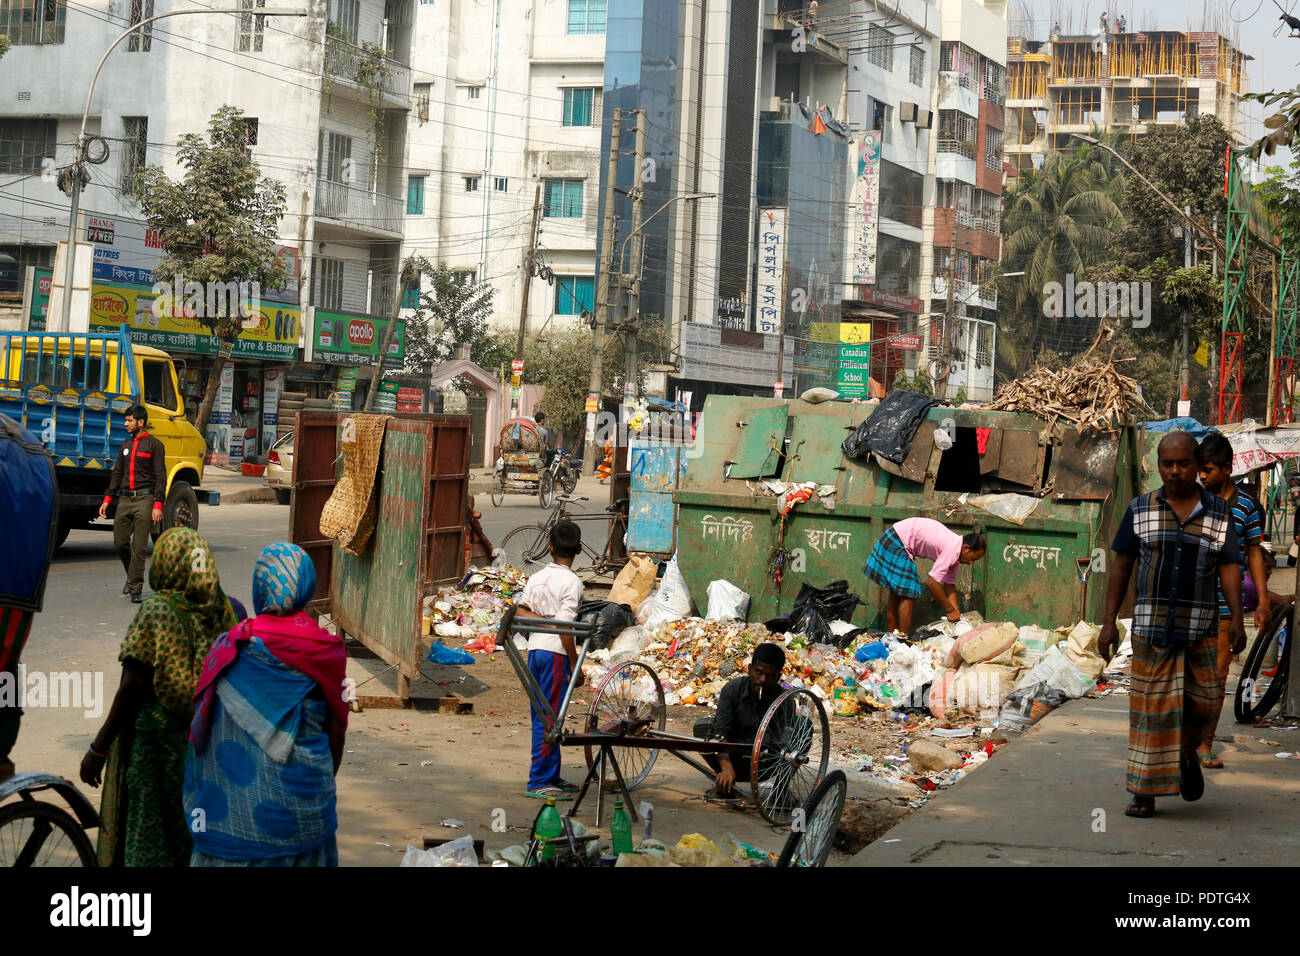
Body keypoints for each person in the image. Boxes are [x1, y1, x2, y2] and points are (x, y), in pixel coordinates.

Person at [1099, 432, 1244, 820]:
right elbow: (1122, 566)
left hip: (1202, 627)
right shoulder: (1140, 508)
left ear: (1197, 465)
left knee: (1206, 703)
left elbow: (1230, 564)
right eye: (1168, 464)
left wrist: (1238, 619)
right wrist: (1108, 622)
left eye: (1183, 463)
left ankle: (1184, 752)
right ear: (1159, 465)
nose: (1175, 471)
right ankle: (1143, 794)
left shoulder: (1218, 512)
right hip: (1153, 628)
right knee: (1152, 713)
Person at [80, 527, 241, 866]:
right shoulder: (225, 610)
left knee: (151, 837)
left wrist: (99, 747)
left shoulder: (157, 611)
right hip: (208, 747)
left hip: (157, 749)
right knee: (195, 837)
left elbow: (133, 687)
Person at [185, 543, 348, 866]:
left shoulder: (229, 646)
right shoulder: (325, 650)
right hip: (303, 817)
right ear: (306, 587)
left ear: (259, 588)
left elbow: (200, 723)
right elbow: (336, 735)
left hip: (227, 821)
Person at [1196, 433, 1270, 769]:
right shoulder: (1192, 501)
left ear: (1227, 469)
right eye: (1201, 470)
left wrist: (1263, 601)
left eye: (1208, 470)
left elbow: (1254, 553)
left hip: (1227, 610)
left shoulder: (1247, 508)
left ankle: (1204, 745)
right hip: (1192, 605)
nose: (1202, 476)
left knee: (1215, 680)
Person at [517, 521, 585, 800]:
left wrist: (544, 623)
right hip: (555, 654)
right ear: (579, 549)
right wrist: (574, 662)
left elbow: (521, 610)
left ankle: (551, 774)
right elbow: (565, 627)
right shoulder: (572, 582)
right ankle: (539, 780)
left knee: (549, 715)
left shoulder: (537, 577)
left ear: (549, 547)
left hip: (535, 650)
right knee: (548, 719)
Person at [693, 643, 788, 799]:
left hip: (765, 765)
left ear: (778, 677)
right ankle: (725, 780)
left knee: (804, 727)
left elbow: (786, 741)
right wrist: (725, 767)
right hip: (732, 759)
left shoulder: (784, 700)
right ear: (750, 669)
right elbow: (720, 732)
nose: (762, 679)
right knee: (702, 727)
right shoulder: (732, 690)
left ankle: (781, 790)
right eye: (759, 672)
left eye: (770, 676)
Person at [862, 517, 986, 636]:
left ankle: (892, 636)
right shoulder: (952, 550)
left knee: (897, 593)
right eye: (972, 558)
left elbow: (949, 584)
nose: (971, 563)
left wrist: (956, 611)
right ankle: (901, 640)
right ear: (966, 548)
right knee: (909, 593)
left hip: (893, 536)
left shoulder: (956, 552)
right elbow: (932, 583)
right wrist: (950, 610)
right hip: (897, 541)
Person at [100, 404, 166, 604]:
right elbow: (117, 472)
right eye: (126, 420)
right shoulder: (125, 445)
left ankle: (135, 588)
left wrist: (158, 505)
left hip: (145, 500)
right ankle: (131, 575)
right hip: (125, 499)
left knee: (138, 547)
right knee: (120, 542)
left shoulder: (155, 445)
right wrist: (107, 499)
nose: (125, 424)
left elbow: (160, 477)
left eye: (129, 420)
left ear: (141, 422)